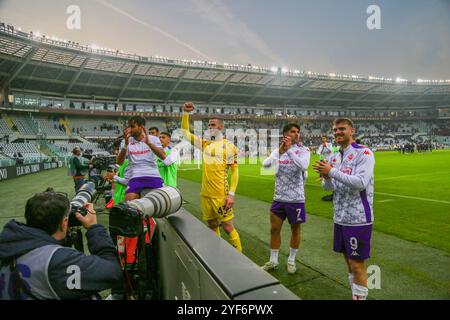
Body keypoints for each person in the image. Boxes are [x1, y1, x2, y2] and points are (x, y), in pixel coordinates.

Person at [0, 192, 122, 300]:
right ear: (64, 223)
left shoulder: (10, 244)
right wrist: (94, 228)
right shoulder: (56, 261)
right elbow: (112, 271)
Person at [313, 118, 375, 300]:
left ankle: (360, 296)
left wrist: (331, 171)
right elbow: (327, 188)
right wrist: (325, 177)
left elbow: (361, 183)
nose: (337, 132)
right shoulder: (333, 156)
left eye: (342, 129)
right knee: (348, 262)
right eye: (335, 130)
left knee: (357, 265)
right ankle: (355, 294)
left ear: (352, 131)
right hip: (339, 217)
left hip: (358, 218)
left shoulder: (364, 153)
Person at [181, 102, 242, 252]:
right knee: (213, 225)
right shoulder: (205, 144)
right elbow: (185, 133)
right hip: (205, 194)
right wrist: (185, 114)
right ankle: (218, 253)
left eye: (213, 124)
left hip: (220, 195)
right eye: (208, 125)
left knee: (227, 226)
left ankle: (240, 257)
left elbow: (235, 171)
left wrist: (231, 194)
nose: (210, 127)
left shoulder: (229, 146)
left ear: (220, 127)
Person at [261, 124, 310, 274]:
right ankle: (273, 260)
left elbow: (304, 165)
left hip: (296, 199)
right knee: (274, 229)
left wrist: (289, 151)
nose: (296, 134)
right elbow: (265, 167)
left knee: (296, 230)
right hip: (279, 198)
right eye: (293, 132)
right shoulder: (278, 151)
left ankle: (291, 260)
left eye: (298, 132)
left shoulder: (304, 150)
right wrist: (280, 152)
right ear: (285, 135)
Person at [116, 116, 166, 202]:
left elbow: (163, 156)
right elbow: (119, 162)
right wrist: (125, 145)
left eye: (132, 126)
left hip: (153, 176)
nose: (130, 129)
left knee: (161, 204)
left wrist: (149, 144)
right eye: (129, 126)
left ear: (141, 127)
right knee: (129, 204)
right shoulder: (126, 141)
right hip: (136, 177)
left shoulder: (153, 139)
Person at [317, 135, 335, 202]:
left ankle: (331, 183)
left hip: (329, 160)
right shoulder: (321, 146)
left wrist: (326, 146)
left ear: (326, 139)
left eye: (324, 138)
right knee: (322, 171)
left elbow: (332, 151)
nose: (323, 139)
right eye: (322, 138)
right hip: (323, 160)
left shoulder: (329, 144)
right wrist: (322, 148)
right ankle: (322, 179)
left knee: (329, 172)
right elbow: (318, 152)